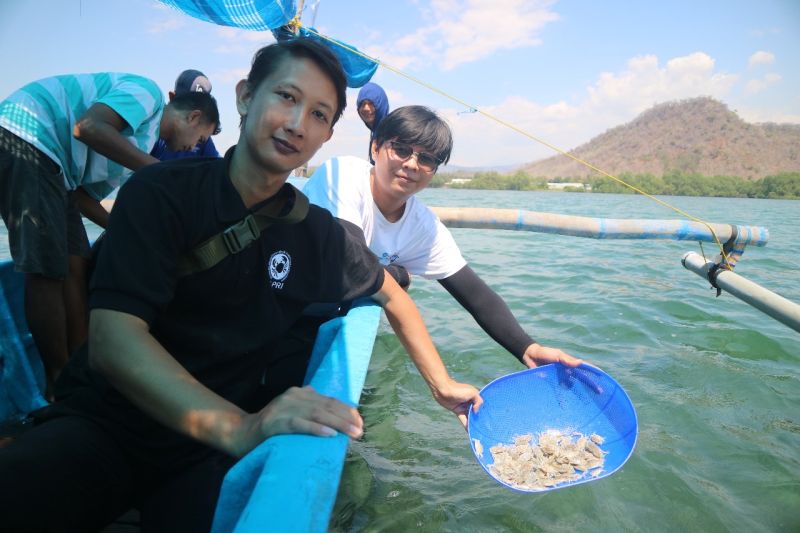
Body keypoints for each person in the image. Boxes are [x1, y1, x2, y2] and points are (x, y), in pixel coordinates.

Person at [0, 39, 480, 532]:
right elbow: (113, 340)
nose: (297, 123)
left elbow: (393, 295)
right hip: (110, 422)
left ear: (327, 135)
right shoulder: (160, 193)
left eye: (318, 114)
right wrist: (242, 427)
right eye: (286, 97)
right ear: (246, 96)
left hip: (203, 456)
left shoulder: (316, 234)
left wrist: (442, 387)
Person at [303, 105, 582, 370]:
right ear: (375, 147)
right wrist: (397, 276)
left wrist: (527, 348)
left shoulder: (423, 226)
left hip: (324, 315)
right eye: (401, 149)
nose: (412, 164)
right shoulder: (343, 175)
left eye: (427, 159)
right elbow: (346, 264)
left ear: (434, 171)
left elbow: (476, 296)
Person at [0, 73, 220, 398]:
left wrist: (126, 231)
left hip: (61, 175)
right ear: (194, 116)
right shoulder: (149, 94)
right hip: (26, 133)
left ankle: (82, 364)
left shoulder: (136, 149)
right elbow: (88, 127)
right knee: (46, 269)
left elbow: (82, 198)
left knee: (78, 261)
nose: (195, 148)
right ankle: (58, 385)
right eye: (200, 139)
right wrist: (158, 172)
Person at [150, 69, 222, 160]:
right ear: (172, 98)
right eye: (188, 106)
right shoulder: (152, 129)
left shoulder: (201, 139)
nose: (194, 119)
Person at [356, 81, 389, 164]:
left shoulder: (389, 133)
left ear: (381, 104)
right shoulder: (377, 132)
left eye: (371, 103)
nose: (366, 108)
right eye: (362, 104)